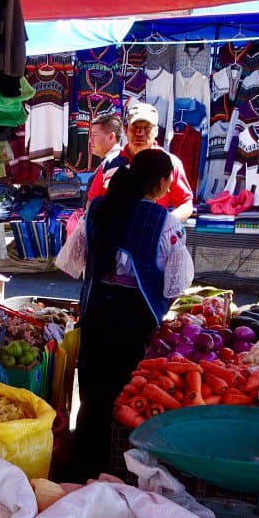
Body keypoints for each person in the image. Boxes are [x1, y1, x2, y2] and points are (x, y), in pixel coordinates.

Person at [73, 149, 184, 480]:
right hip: (132, 317)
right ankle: (119, 470)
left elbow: (75, 260)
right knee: (124, 395)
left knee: (92, 392)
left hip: (96, 310)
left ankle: (84, 467)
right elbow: (175, 282)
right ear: (164, 182)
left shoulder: (97, 208)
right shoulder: (164, 222)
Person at [103, 103, 195, 223]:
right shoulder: (110, 163)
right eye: (135, 127)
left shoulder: (170, 163)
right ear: (125, 130)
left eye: (147, 128)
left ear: (156, 131)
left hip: (152, 235)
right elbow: (93, 201)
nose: (140, 133)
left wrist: (164, 224)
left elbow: (186, 204)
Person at [84, 112, 124, 201]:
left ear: (111, 137)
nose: (90, 140)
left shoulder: (115, 162)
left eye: (94, 135)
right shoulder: (111, 161)